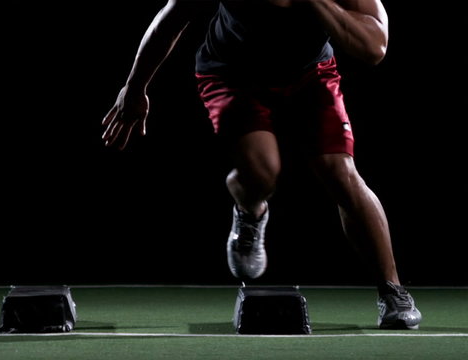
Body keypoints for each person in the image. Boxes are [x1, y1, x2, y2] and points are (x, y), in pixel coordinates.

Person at [102, 0, 421, 330]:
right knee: (262, 172)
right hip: (232, 74)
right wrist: (135, 86)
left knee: (339, 172)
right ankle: (249, 207)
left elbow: (374, 47)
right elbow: (170, 21)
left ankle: (392, 291)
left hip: (310, 74)